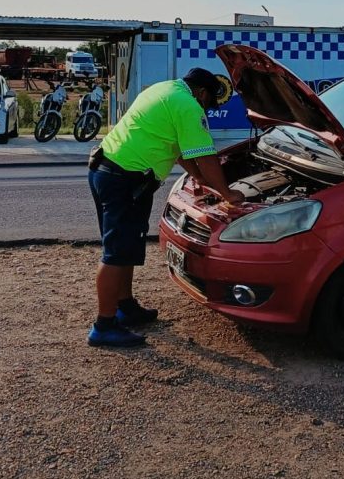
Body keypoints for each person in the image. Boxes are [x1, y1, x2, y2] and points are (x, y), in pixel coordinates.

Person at [87, 67, 245, 348]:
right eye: (208, 105)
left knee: (126, 248)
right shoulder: (187, 105)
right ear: (202, 93)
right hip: (124, 179)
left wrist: (197, 177)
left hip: (109, 170)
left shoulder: (165, 89)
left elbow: (179, 148)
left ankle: (125, 306)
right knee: (115, 252)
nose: (206, 111)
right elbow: (207, 157)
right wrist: (226, 193)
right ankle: (104, 325)